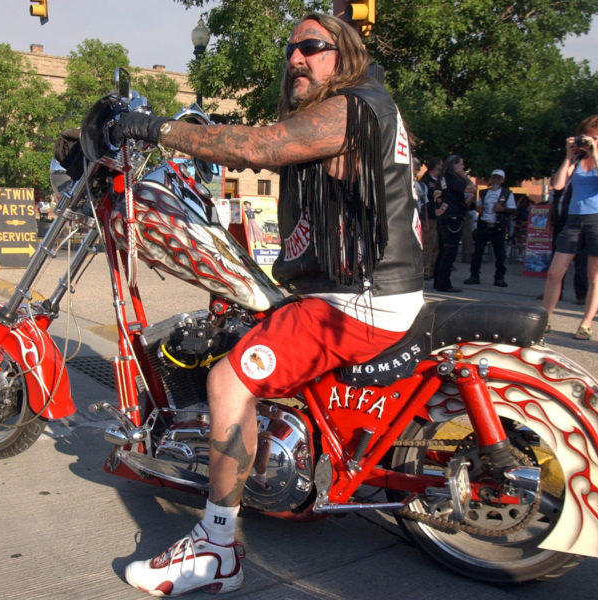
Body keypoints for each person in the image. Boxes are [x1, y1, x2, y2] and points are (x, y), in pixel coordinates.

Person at [108, 13, 424, 596]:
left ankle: (216, 548)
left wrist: (156, 129)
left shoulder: (353, 105)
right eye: (292, 49)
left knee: (229, 382)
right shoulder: (361, 107)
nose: (297, 58)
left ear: (344, 53)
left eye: (312, 47)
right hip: (357, 289)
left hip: (356, 300)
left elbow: (261, 146)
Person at [542, 114, 598, 340]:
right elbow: (557, 185)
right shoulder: (575, 160)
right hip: (574, 219)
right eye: (586, 138)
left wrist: (595, 155)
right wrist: (568, 156)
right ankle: (545, 318)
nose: (588, 142)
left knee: (594, 273)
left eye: (594, 138)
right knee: (555, 272)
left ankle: (586, 323)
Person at [464, 169, 516, 287]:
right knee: (477, 252)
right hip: (484, 224)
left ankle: (499, 277)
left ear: (502, 180)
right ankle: (474, 275)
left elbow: (513, 210)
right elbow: (477, 207)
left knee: (500, 254)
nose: (496, 180)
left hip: (498, 227)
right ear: (491, 179)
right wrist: (478, 208)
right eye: (494, 178)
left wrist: (502, 209)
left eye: (499, 178)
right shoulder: (484, 193)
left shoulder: (507, 193)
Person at [433, 154, 471, 292]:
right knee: (449, 251)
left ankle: (438, 281)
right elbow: (469, 189)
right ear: (454, 165)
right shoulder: (452, 179)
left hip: (443, 217)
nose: (463, 167)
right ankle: (444, 283)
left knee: (443, 251)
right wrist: (464, 176)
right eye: (461, 164)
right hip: (452, 218)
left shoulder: (441, 179)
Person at [419, 157, 443, 280]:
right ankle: (424, 269)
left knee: (436, 245)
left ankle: (433, 269)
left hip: (439, 216)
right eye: (440, 165)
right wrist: (425, 219)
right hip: (430, 217)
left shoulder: (440, 181)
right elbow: (425, 202)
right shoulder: (425, 181)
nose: (441, 167)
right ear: (435, 166)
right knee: (428, 244)